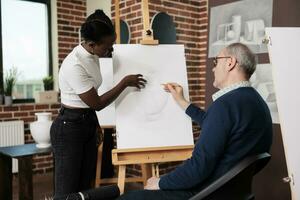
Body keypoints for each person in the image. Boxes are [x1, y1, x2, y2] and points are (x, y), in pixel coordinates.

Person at [117, 43, 273, 200]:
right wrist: (183, 102)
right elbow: (215, 124)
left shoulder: (225, 105)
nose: (213, 68)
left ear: (230, 63)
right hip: (229, 192)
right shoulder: (256, 103)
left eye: (216, 62)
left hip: (204, 193)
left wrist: (161, 182)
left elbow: (198, 168)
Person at [50, 10, 147, 198]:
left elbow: (89, 106)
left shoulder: (93, 54)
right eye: (108, 46)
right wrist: (124, 82)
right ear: (92, 44)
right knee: (66, 193)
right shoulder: (75, 65)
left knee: (84, 189)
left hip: (86, 122)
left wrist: (94, 125)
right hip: (69, 127)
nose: (110, 50)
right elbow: (97, 103)